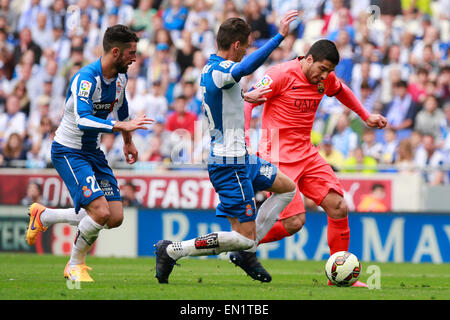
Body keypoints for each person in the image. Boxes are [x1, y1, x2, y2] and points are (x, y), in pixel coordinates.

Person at [154, 11, 299, 284]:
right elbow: (242, 70)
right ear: (236, 45)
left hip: (242, 158)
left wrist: (245, 95)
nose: (246, 51)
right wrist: (279, 36)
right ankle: (172, 250)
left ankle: (248, 249)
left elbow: (223, 94)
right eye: (245, 46)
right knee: (243, 238)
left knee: (287, 188)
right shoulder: (223, 70)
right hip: (228, 163)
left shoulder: (211, 69)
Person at [244, 39, 387, 287]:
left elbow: (341, 90)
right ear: (308, 59)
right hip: (276, 153)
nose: (325, 76)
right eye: (322, 69)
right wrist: (246, 138)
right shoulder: (279, 75)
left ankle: (339, 278)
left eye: (329, 71)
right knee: (294, 222)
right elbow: (248, 102)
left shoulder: (324, 78)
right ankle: (243, 243)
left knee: (339, 206)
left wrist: (366, 116)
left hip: (305, 153)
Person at [25, 25, 154, 282]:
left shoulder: (120, 79)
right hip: (68, 151)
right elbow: (83, 120)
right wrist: (120, 127)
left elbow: (121, 111)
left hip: (93, 151)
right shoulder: (86, 79)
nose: (135, 58)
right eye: (131, 52)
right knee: (100, 212)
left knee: (114, 216)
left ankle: (45, 215)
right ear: (115, 52)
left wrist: (128, 141)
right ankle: (74, 265)